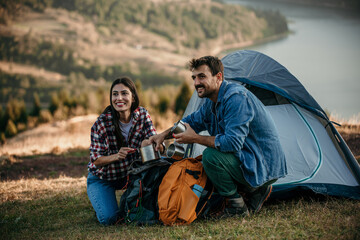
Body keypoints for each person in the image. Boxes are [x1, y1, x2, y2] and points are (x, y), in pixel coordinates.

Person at [150, 56, 287, 218]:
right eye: (194, 78)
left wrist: (195, 139)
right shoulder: (211, 102)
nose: (196, 83)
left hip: (263, 164)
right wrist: (162, 135)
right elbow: (190, 122)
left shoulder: (236, 98)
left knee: (210, 157)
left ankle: (236, 206)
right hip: (251, 158)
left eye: (202, 76)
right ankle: (255, 190)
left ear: (218, 77)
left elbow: (232, 143)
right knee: (208, 159)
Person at [87, 77, 164, 225]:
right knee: (110, 219)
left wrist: (152, 144)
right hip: (103, 178)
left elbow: (154, 141)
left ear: (133, 96)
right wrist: (116, 156)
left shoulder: (142, 115)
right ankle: (101, 205)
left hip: (131, 176)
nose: (119, 98)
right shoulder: (102, 123)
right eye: (115, 94)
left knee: (150, 209)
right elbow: (96, 161)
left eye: (124, 93)